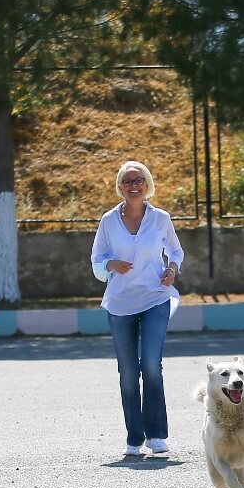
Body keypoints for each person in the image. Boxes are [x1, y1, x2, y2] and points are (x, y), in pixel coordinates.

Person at [90, 160, 185, 457]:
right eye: (128, 181)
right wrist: (110, 265)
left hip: (156, 297)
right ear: (120, 188)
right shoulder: (108, 221)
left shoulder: (161, 218)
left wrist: (172, 268)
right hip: (120, 303)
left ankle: (157, 434)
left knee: (151, 366)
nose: (134, 185)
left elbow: (176, 251)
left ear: (147, 185)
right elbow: (96, 262)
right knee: (128, 372)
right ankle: (134, 436)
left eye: (139, 180)